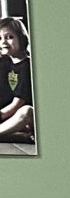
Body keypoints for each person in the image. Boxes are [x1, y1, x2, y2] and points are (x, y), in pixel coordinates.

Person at [0, 15, 32, 144]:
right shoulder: (5, 62)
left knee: (27, 111)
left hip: (20, 116)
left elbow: (17, 104)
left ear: (22, 38)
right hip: (6, 117)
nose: (3, 42)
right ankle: (12, 135)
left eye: (9, 37)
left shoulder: (27, 66)